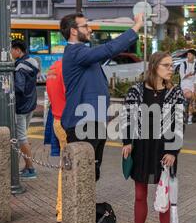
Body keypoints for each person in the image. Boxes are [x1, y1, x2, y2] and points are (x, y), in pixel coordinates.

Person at [60, 12, 144, 181]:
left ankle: (88, 207)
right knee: (82, 176)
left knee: (92, 174)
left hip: (94, 122)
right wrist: (135, 28)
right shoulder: (75, 52)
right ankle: (81, 208)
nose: (90, 30)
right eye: (85, 26)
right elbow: (109, 49)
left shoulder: (83, 53)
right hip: (82, 124)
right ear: (73, 31)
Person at [121, 51, 185, 223]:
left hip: (164, 151)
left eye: (171, 65)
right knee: (140, 195)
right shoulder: (136, 90)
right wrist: (127, 142)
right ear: (154, 66)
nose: (170, 69)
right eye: (166, 65)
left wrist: (173, 151)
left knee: (163, 199)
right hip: (141, 148)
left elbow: (179, 124)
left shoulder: (176, 93)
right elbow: (127, 117)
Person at [10, 39, 40, 180]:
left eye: (12, 50)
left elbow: (19, 88)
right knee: (23, 137)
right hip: (31, 104)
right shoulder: (32, 62)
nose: (10, 53)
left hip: (21, 107)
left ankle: (31, 168)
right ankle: (27, 166)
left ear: (18, 50)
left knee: (22, 138)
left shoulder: (20, 67)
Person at [46, 59, 67, 223]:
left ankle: (61, 208)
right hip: (68, 122)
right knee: (68, 167)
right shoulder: (68, 68)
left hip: (57, 120)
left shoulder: (54, 66)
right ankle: (63, 209)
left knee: (64, 165)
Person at [179, 49, 196, 125]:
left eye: (190, 55)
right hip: (184, 84)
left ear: (194, 56)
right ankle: (186, 115)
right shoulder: (183, 64)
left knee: (193, 98)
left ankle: (189, 117)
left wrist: (195, 89)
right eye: (188, 54)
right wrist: (188, 75)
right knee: (189, 96)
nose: (188, 56)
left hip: (192, 85)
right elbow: (182, 76)